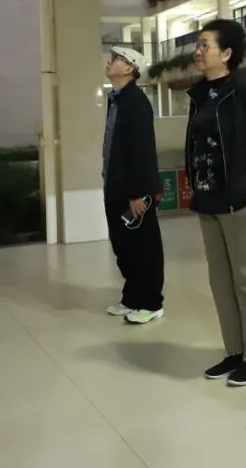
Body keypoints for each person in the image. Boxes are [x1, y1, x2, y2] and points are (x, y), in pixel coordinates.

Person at [185, 18, 246, 387]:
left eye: (205, 44)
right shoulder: (198, 95)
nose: (198, 51)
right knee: (220, 281)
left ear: (226, 54)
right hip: (207, 199)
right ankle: (234, 351)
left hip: (239, 200)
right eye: (198, 44)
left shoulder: (245, 93)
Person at [102, 46, 164, 325]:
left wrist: (138, 193)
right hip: (116, 185)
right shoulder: (117, 99)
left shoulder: (136, 102)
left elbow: (142, 150)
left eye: (115, 59)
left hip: (135, 190)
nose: (109, 62)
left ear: (129, 68)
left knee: (143, 247)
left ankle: (151, 303)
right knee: (123, 246)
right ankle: (132, 298)